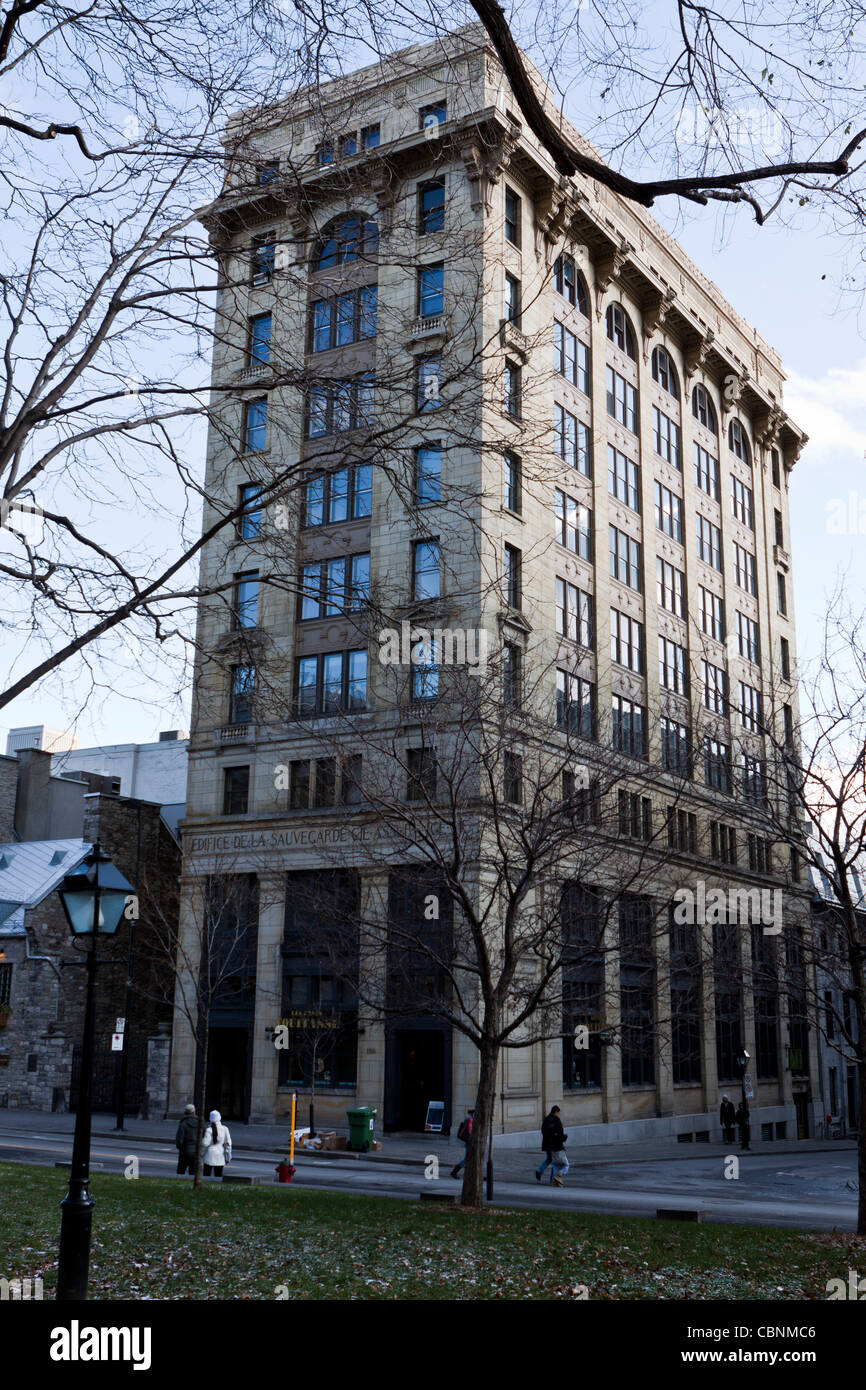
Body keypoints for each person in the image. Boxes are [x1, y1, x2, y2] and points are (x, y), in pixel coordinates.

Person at [536, 1105, 567, 1185]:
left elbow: (543, 1131)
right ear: (556, 1112)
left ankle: (541, 1171)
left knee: (550, 1159)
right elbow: (560, 1133)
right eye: (558, 1113)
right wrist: (564, 1137)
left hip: (547, 1143)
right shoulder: (557, 1120)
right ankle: (553, 1178)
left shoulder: (546, 1119)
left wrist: (548, 1138)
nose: (558, 1114)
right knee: (558, 1162)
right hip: (557, 1145)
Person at [202, 1109, 232, 1177]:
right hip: (220, 1157)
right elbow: (228, 1145)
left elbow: (205, 1144)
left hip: (208, 1157)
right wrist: (228, 1158)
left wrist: (201, 1154)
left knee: (206, 1176)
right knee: (218, 1177)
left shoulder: (209, 1130)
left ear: (210, 1119)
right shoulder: (225, 1129)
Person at [450, 1108, 475, 1179]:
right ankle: (454, 1172)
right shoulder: (470, 1120)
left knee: (471, 1158)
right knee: (467, 1159)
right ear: (473, 1114)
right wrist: (472, 1140)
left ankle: (472, 1174)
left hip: (468, 1141)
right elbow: (470, 1132)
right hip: (469, 1142)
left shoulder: (468, 1119)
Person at [175, 1103, 198, 1176]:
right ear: (194, 1111)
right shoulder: (200, 1122)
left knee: (180, 1172)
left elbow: (179, 1139)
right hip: (195, 1151)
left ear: (185, 1112)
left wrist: (180, 1148)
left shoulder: (183, 1124)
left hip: (184, 1151)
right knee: (193, 1172)